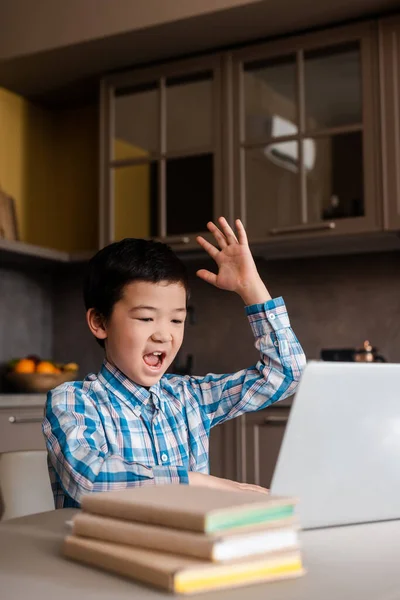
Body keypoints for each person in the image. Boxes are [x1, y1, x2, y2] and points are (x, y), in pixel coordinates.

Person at [43, 217, 306, 508]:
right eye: (145, 318)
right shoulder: (73, 401)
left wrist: (251, 287)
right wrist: (197, 482)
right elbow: (88, 480)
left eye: (176, 320)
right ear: (99, 322)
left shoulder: (190, 397)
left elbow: (287, 373)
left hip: (185, 549)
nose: (163, 334)